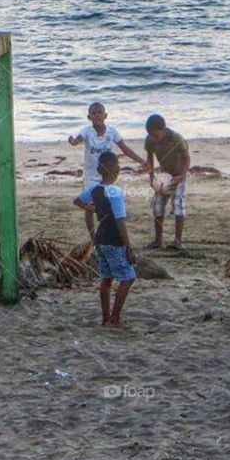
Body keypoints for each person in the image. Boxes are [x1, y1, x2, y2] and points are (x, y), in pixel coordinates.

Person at [73, 151, 137, 328]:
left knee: (107, 278)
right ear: (117, 170)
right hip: (113, 239)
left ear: (99, 170)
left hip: (100, 238)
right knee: (128, 278)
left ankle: (105, 318)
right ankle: (115, 319)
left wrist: (95, 209)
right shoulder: (115, 192)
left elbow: (77, 201)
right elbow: (120, 222)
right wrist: (128, 246)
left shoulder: (95, 189)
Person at [68, 102, 145, 237]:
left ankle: (111, 228)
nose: (97, 115)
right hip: (91, 174)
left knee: (109, 200)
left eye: (99, 112)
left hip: (108, 174)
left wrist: (141, 161)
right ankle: (93, 236)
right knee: (90, 205)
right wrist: (73, 141)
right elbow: (78, 139)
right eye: (94, 113)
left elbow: (124, 148)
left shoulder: (112, 131)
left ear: (105, 115)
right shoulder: (87, 132)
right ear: (89, 117)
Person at [144, 114, 190, 249]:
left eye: (156, 135)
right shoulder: (150, 140)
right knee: (157, 206)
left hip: (178, 176)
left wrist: (182, 174)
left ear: (163, 130)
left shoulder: (176, 138)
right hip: (164, 176)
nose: (154, 138)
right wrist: (152, 177)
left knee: (178, 205)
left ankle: (178, 241)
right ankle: (159, 240)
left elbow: (187, 157)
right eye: (151, 135)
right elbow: (149, 157)